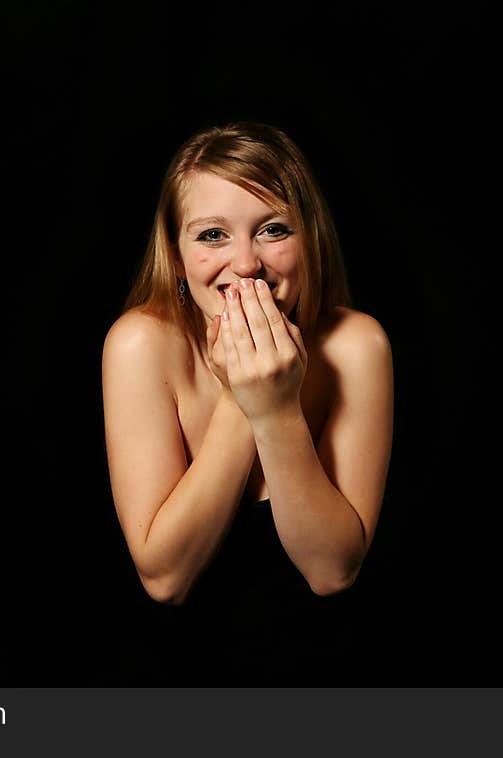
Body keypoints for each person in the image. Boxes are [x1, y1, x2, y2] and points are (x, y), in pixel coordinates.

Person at [101, 121, 394, 682]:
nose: (245, 264)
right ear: (177, 255)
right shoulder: (139, 343)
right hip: (171, 675)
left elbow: (332, 570)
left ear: (309, 239)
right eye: (212, 234)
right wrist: (244, 397)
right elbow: (165, 577)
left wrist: (276, 410)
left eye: (273, 230)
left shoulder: (357, 346)